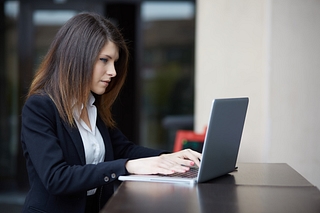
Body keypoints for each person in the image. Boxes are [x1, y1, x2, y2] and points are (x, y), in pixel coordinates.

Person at [20, 12, 201, 213]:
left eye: (114, 62)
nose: (113, 72)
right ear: (77, 57)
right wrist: (126, 166)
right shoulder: (39, 107)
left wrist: (172, 158)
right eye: (104, 60)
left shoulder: (92, 106)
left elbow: (125, 150)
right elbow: (56, 178)